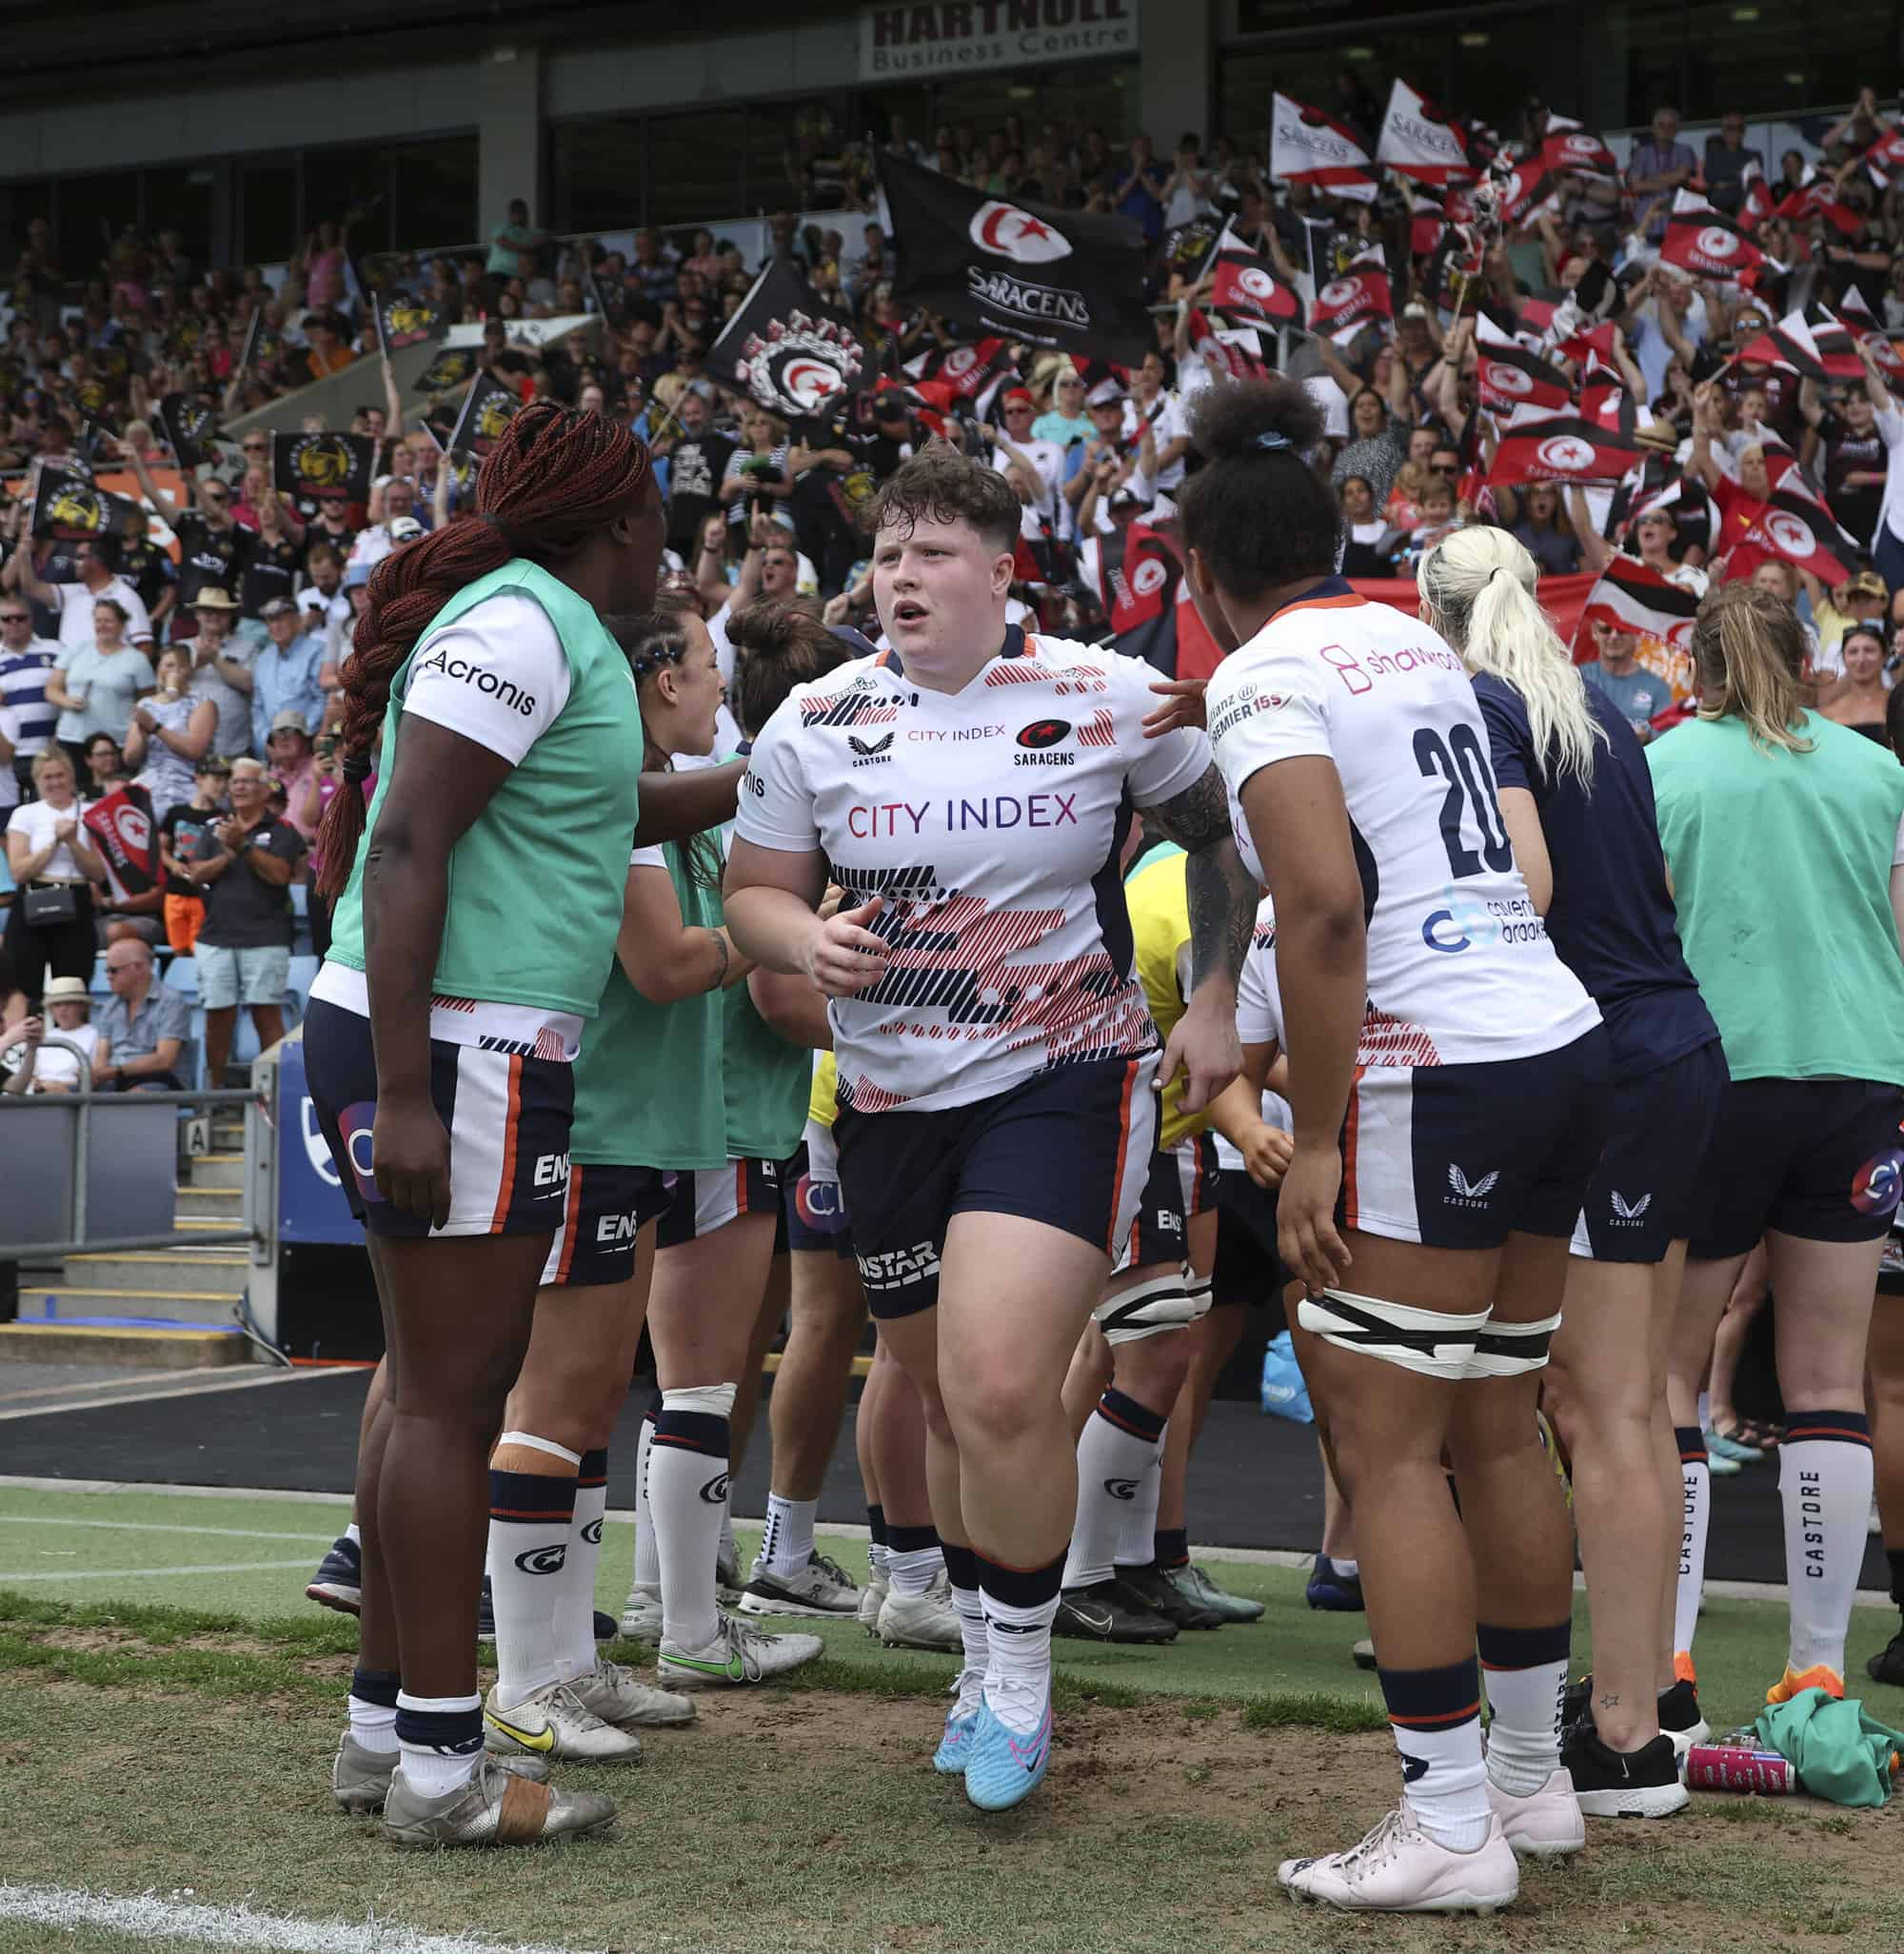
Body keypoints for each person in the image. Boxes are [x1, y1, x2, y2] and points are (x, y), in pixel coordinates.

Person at [723, 445, 1253, 1813]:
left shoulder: (1107, 695)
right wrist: (804, 935)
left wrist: (1211, 996)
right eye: (890, 554)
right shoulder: (815, 722)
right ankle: (980, 1642)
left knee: (1008, 1383)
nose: (903, 575)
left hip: (1064, 1077)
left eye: (934, 553)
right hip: (889, 1099)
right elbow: (754, 895)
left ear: (1002, 571)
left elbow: (1222, 843)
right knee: (949, 1399)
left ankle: (1018, 1672)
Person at [1186, 380, 1609, 1914]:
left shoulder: (1257, 678)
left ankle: (1447, 1821)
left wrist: (1314, 1139)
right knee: (1499, 1421)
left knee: (1386, 1442)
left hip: (1436, 1065)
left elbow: (1324, 903)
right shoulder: (1407, 635)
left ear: (1199, 576)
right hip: (1551, 1033)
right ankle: (1523, 1782)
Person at [303, 401, 669, 1849]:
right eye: (656, 518)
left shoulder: (523, 622)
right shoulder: (525, 623)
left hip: (439, 1029)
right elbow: (406, 840)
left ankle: (381, 1730)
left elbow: (585, 810)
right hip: (456, 1036)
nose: (667, 546)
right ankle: (446, 1776)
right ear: (621, 518)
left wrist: (776, 796)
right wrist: (405, 1088)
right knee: (459, 1395)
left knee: (418, 1385)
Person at [1422, 524, 1725, 1815]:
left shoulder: (1486, 703)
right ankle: (1637, 1715)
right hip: (1676, 1042)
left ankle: (1619, 1729)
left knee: (1595, 1409)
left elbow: (1523, 889)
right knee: (1638, 1405)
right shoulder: (1595, 700)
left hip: (1610, 1053)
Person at [1651, 581, 1904, 1707]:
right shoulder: (1875, 770)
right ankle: (1816, 1666)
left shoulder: (1664, 765)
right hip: (1856, 1076)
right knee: (1826, 1383)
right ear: (1804, 661)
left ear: (1694, 666)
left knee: (1663, 1376)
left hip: (1716, 1073)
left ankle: (1664, 1659)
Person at [192, 756, 304, 1084]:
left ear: (264, 790)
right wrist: (227, 854)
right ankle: (214, 1096)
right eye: (235, 781)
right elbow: (196, 874)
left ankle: (277, 1095)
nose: (239, 786)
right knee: (217, 1017)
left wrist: (242, 847)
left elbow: (281, 875)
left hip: (266, 937)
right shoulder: (214, 828)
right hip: (216, 936)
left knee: (266, 1013)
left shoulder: (282, 829)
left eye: (247, 781)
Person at [3, 748, 107, 1006]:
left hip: (76, 896)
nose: (55, 782)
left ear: (71, 776)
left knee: (73, 987)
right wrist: (54, 843)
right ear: (38, 781)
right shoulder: (25, 814)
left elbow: (98, 872)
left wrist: (72, 842)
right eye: (47, 777)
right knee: (24, 988)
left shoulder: (91, 812)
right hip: (34, 897)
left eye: (60, 775)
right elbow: (18, 871)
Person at [46, 598, 155, 777]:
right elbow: (51, 689)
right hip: (72, 738)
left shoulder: (137, 659)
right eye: (98, 621)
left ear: (121, 624)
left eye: (108, 621)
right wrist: (67, 701)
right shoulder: (77, 650)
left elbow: (148, 701)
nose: (102, 626)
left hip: (114, 744)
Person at [124, 645, 214, 820]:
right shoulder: (145, 705)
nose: (174, 671)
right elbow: (130, 758)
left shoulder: (202, 703)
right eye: (168, 665)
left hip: (187, 788)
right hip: (152, 789)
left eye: (180, 666)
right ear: (159, 669)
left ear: (189, 669)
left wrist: (155, 727)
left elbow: (195, 750)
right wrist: (140, 730)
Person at [91, 938, 190, 1092]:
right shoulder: (110, 1006)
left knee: (134, 1097)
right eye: (107, 971)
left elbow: (164, 1060)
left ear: (138, 967)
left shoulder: (171, 1002)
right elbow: (101, 1057)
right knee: (59, 1091)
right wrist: (95, 1075)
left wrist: (116, 1071)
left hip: (160, 1079)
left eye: (113, 970)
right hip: (116, 1080)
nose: (108, 976)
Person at [157, 757, 229, 955]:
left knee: (200, 949)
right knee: (178, 948)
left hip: (204, 894)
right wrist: (172, 864)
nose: (221, 786)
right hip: (175, 891)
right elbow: (160, 847)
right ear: (198, 778)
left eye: (225, 781)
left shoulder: (224, 818)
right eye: (216, 779)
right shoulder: (176, 813)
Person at [245, 599, 327, 759]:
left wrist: (299, 738)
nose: (275, 626)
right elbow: (257, 707)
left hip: (307, 750)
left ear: (297, 620)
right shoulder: (263, 659)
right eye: (270, 621)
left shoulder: (317, 651)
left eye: (281, 619)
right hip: (271, 754)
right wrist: (266, 742)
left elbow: (321, 699)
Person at [0, 595, 61, 802]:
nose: (14, 623)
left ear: (31, 619)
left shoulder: (56, 649)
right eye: (7, 619)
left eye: (20, 618)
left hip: (48, 752)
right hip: (7, 756)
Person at [17, 973, 98, 1092]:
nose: (63, 1009)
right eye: (57, 1005)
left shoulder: (94, 1035)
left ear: (82, 1006)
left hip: (73, 1097)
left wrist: (56, 1086)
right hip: (38, 1093)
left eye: (69, 1003)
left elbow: (94, 1079)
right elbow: (31, 1073)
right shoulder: (48, 1036)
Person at [1818, 622, 1893, 741]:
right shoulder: (1827, 714)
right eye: (1853, 652)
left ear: (1884, 656)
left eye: (1869, 650)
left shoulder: (1898, 704)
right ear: (1843, 658)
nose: (1861, 659)